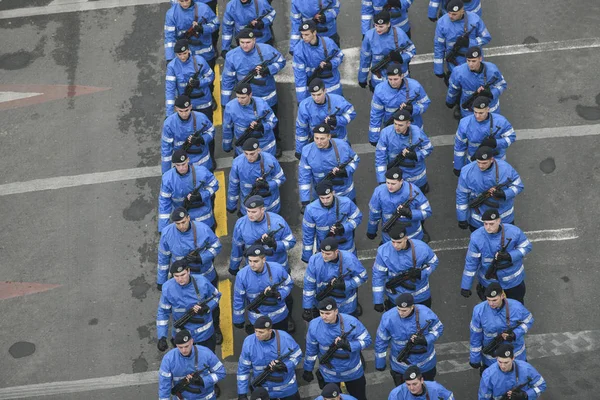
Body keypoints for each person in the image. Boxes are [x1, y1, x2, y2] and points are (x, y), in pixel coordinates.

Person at [157, 208, 223, 342]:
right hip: (181, 278)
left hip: (206, 275)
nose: (181, 226)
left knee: (211, 306)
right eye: (178, 224)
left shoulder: (203, 229)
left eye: (183, 222)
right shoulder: (167, 234)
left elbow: (216, 246)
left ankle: (215, 328)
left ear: (188, 218)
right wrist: (161, 280)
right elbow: (163, 258)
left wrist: (201, 258)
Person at [221, 29, 286, 157]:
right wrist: (225, 101)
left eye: (248, 42)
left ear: (254, 41)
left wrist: (268, 69)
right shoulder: (232, 56)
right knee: (245, 126)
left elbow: (281, 61)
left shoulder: (266, 50)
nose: (245, 45)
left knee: (271, 124)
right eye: (242, 42)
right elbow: (228, 79)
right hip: (245, 99)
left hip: (267, 97)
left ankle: (275, 143)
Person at [302, 298, 372, 400]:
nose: (324, 317)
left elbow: (367, 340)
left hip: (353, 373)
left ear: (336, 311)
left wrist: (349, 345)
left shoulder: (351, 322)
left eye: (328, 313)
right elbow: (311, 350)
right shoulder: (314, 325)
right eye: (321, 313)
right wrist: (308, 369)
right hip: (329, 375)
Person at [460, 209, 532, 304]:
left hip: (513, 282)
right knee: (493, 311)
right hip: (489, 283)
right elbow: (471, 263)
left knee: (516, 307)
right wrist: (465, 286)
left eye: (491, 224)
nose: (488, 227)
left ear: (499, 220)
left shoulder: (514, 232)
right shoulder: (476, 238)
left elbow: (526, 247)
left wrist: (510, 256)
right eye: (485, 224)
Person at [375, 294, 443, 385]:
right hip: (401, 368)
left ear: (412, 307)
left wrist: (426, 339)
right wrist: (380, 363)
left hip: (426, 366)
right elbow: (381, 341)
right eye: (398, 309)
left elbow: (439, 329)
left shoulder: (426, 313)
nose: (400, 313)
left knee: (427, 392)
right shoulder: (388, 318)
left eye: (404, 310)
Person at [157, 260, 222, 352]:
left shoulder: (202, 282)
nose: (180, 279)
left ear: (188, 271)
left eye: (183, 275)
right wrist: (162, 336)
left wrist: (207, 308)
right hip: (182, 336)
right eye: (176, 276)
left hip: (205, 335)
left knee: (207, 360)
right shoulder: (168, 288)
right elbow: (163, 312)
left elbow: (216, 296)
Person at [469, 283, 534, 373]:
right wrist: (474, 359)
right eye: (488, 300)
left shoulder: (516, 307)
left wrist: (515, 334)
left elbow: (529, 321)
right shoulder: (479, 310)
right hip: (491, 359)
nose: (491, 303)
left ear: (502, 296)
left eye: (494, 300)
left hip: (516, 355)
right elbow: (475, 336)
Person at [455, 146, 523, 231]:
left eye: (484, 163)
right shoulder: (467, 172)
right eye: (478, 162)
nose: (480, 166)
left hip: (504, 218)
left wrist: (504, 193)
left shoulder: (506, 169)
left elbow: (518, 185)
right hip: (478, 221)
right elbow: (462, 195)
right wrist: (462, 218)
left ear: (492, 160)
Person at [372, 225, 438, 310]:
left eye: (399, 242)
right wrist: (378, 301)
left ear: (406, 238)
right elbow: (378, 276)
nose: (395, 245)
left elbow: (434, 262)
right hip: (396, 299)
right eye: (393, 242)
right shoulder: (383, 252)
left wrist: (421, 273)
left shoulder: (421, 248)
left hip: (421, 297)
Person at [237, 316, 303, 400]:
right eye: (256, 331)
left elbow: (298, 355)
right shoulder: (249, 342)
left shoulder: (285, 338)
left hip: (287, 389)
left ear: (270, 331)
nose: (257, 335)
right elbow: (243, 369)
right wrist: (242, 393)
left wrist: (286, 366)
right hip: (263, 392)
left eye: (261, 332)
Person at [232, 245, 295, 333]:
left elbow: (289, 284)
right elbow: (238, 298)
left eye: (256, 261)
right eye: (250, 261)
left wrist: (279, 294)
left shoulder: (277, 269)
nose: (252, 264)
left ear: (264, 259)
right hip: (257, 320)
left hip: (279, 317)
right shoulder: (242, 276)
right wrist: (238, 319)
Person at [302, 237, 368, 319]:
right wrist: (307, 307)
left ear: (336, 251)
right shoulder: (314, 260)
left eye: (328, 254)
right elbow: (309, 284)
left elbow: (363, 277)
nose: (324, 256)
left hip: (347, 307)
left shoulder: (350, 259)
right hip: (323, 304)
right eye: (322, 252)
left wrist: (345, 285)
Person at [433, 0, 490, 93]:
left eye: (454, 14)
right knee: (456, 85)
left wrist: (470, 42)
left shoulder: (474, 19)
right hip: (454, 61)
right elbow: (439, 46)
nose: (450, 16)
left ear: (462, 11)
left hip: (474, 58)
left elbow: (486, 37)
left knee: (475, 85)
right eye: (449, 13)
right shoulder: (442, 23)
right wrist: (438, 68)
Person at [229, 196, 297, 274]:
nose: (250, 215)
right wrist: (233, 266)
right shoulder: (240, 224)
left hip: (277, 268)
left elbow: (291, 242)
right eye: (248, 211)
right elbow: (237, 246)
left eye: (254, 212)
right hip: (254, 269)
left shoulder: (278, 221)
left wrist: (275, 244)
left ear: (262, 210)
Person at [298, 124, 360, 208]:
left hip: (345, 193)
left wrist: (346, 171)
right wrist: (305, 202)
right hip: (322, 196)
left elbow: (355, 159)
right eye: (316, 138)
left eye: (322, 138)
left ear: (329, 136)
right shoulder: (307, 151)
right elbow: (304, 178)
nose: (318, 142)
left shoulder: (342, 146)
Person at [158, 149, 219, 233]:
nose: (181, 168)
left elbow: (215, 185)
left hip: (204, 217)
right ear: (174, 164)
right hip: (183, 220)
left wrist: (202, 196)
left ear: (188, 160)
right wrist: (163, 228)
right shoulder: (168, 179)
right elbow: (164, 204)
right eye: (178, 165)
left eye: (183, 164)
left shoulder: (202, 171)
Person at [369, 63, 430, 145]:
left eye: (395, 79)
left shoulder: (415, 86)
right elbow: (376, 114)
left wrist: (413, 109)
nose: (393, 83)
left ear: (402, 76)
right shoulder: (380, 90)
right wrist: (374, 137)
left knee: (416, 151)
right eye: (390, 79)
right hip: (393, 128)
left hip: (414, 126)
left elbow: (425, 103)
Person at [302, 180, 362, 261]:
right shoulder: (310, 210)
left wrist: (344, 228)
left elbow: (358, 217)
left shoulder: (346, 202)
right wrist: (307, 256)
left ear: (333, 193)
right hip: (325, 249)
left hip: (345, 245)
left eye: (328, 197)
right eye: (322, 198)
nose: (325, 201)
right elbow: (308, 234)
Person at [375, 109, 433, 193]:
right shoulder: (386, 134)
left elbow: (428, 148)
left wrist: (416, 155)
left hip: (416, 174)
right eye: (395, 124)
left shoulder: (417, 132)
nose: (396, 127)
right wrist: (382, 180)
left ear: (408, 124)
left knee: (420, 194)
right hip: (396, 174)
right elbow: (380, 158)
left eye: (400, 125)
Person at [367, 167, 431, 243]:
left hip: (412, 237)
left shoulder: (414, 191)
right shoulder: (379, 192)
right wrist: (371, 230)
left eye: (393, 184)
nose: (389, 186)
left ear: (401, 181)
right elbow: (374, 214)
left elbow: (427, 212)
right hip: (390, 237)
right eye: (387, 183)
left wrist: (410, 213)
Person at [453, 96, 516, 173]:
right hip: (475, 163)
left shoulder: (501, 121)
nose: (477, 116)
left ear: (488, 109)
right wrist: (458, 166)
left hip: (497, 162)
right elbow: (459, 146)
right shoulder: (464, 123)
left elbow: (511, 137)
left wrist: (496, 143)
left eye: (481, 113)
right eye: (475, 112)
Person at [158, 329, 226, 400]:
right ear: (176, 345)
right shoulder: (168, 359)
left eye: (186, 346)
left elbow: (221, 373)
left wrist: (203, 381)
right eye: (180, 347)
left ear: (191, 342)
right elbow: (164, 386)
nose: (184, 350)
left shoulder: (206, 354)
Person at [358, 10, 416, 91]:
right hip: (379, 81)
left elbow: (412, 50)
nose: (377, 29)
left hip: (399, 80)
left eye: (381, 26)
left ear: (388, 24)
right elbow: (365, 59)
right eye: (376, 25)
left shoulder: (399, 34)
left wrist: (401, 58)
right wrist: (362, 78)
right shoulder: (369, 36)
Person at [296, 79, 356, 155]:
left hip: (338, 141)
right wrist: (300, 150)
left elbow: (352, 113)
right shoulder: (304, 106)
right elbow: (301, 129)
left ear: (325, 91)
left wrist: (337, 121)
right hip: (318, 143)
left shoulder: (338, 100)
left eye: (319, 94)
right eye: (313, 95)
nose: (316, 98)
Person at [227, 138, 285, 216]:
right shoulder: (237, 164)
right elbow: (233, 186)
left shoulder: (270, 160)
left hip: (270, 207)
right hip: (249, 206)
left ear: (258, 150)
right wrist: (231, 205)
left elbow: (281, 179)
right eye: (246, 153)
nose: (248, 157)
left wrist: (267, 185)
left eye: (252, 154)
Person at [446, 46, 507, 119]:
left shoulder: (492, 70)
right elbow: (453, 89)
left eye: (474, 61)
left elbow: (502, 85)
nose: (470, 64)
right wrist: (450, 101)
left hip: (490, 109)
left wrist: (491, 93)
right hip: (469, 110)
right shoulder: (458, 72)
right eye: (468, 60)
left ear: (480, 59)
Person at [293, 21, 345, 103]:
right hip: (313, 82)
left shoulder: (328, 42)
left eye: (307, 34)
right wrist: (301, 101)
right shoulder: (299, 50)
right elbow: (299, 76)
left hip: (332, 83)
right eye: (302, 34)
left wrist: (331, 64)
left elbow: (339, 55)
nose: (304, 37)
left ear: (314, 32)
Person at [162, 95, 215, 174]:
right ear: (176, 109)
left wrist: (202, 139)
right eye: (181, 111)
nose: (184, 114)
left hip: (203, 162)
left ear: (190, 107)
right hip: (183, 165)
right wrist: (165, 173)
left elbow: (212, 131)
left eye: (186, 110)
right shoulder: (169, 124)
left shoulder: (201, 118)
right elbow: (166, 150)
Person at [166, 39, 215, 122]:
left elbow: (211, 76)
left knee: (206, 125)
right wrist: (169, 114)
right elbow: (170, 90)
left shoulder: (199, 61)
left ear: (189, 50)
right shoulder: (172, 67)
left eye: (184, 53)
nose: (182, 57)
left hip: (203, 102)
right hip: (185, 107)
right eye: (179, 54)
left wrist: (199, 83)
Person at [223, 83, 278, 157]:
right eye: (238, 97)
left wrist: (263, 127)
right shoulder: (230, 107)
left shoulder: (262, 104)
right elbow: (227, 127)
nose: (239, 100)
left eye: (243, 97)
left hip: (265, 145)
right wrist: (226, 145)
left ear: (250, 95)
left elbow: (273, 121)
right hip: (243, 145)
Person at [164, 0, 220, 69]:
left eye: (187, 0)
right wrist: (170, 58)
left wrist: (203, 28)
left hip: (206, 55)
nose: (184, 4)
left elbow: (215, 24)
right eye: (181, 1)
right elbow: (170, 38)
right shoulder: (171, 14)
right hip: (186, 57)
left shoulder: (204, 8)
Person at [478, 344, 546, 400]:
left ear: (513, 358)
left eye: (506, 362)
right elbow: (483, 397)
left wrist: (526, 395)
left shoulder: (526, 369)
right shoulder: (488, 375)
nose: (503, 366)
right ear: (496, 358)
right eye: (500, 362)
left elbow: (541, 386)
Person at [387, 365, 454, 399]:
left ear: (422, 380)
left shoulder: (436, 389)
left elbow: (449, 397)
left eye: (414, 384)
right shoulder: (396, 395)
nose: (412, 388)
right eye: (408, 384)